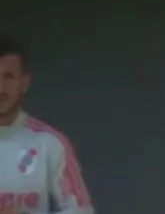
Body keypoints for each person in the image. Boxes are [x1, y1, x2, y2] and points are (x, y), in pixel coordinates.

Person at [0, 35, 94, 214]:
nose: (0, 86)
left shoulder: (49, 141)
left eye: (8, 76)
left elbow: (82, 209)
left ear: (24, 82)